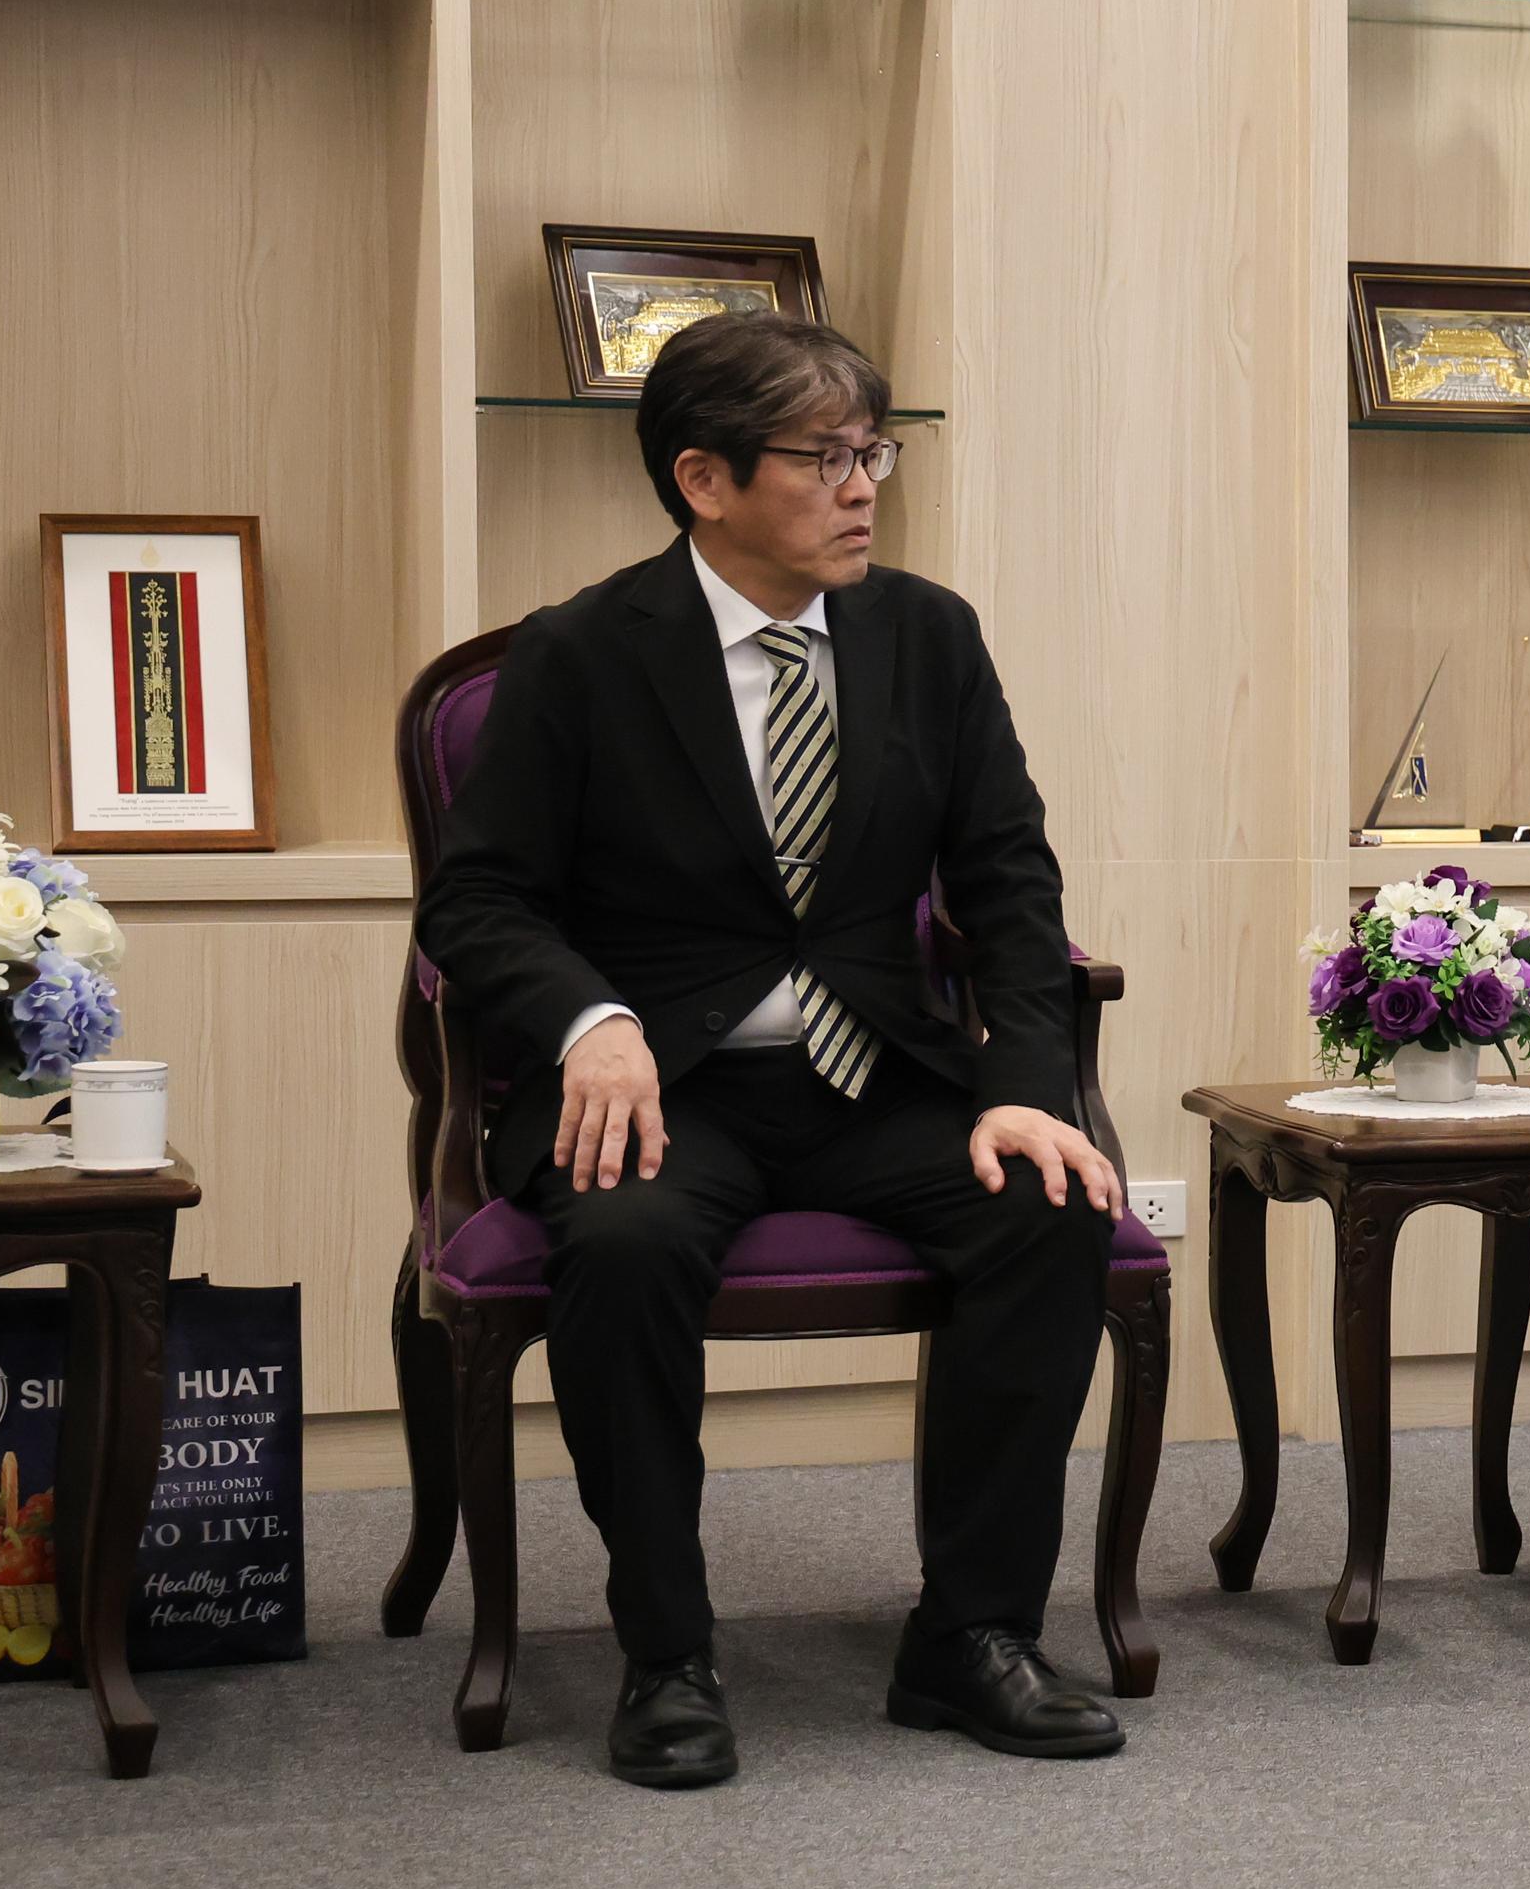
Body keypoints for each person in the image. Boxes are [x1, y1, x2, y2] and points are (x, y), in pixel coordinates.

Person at [418, 312, 1128, 1788]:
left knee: (1049, 1210)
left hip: (877, 1074)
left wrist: (1024, 1090)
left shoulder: (928, 636)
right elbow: (476, 904)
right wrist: (592, 1021)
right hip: (663, 1090)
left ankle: (972, 1635)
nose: (864, 487)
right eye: (823, 459)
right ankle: (668, 1656)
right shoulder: (580, 654)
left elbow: (1009, 883)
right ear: (705, 480)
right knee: (624, 1246)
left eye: (874, 452)